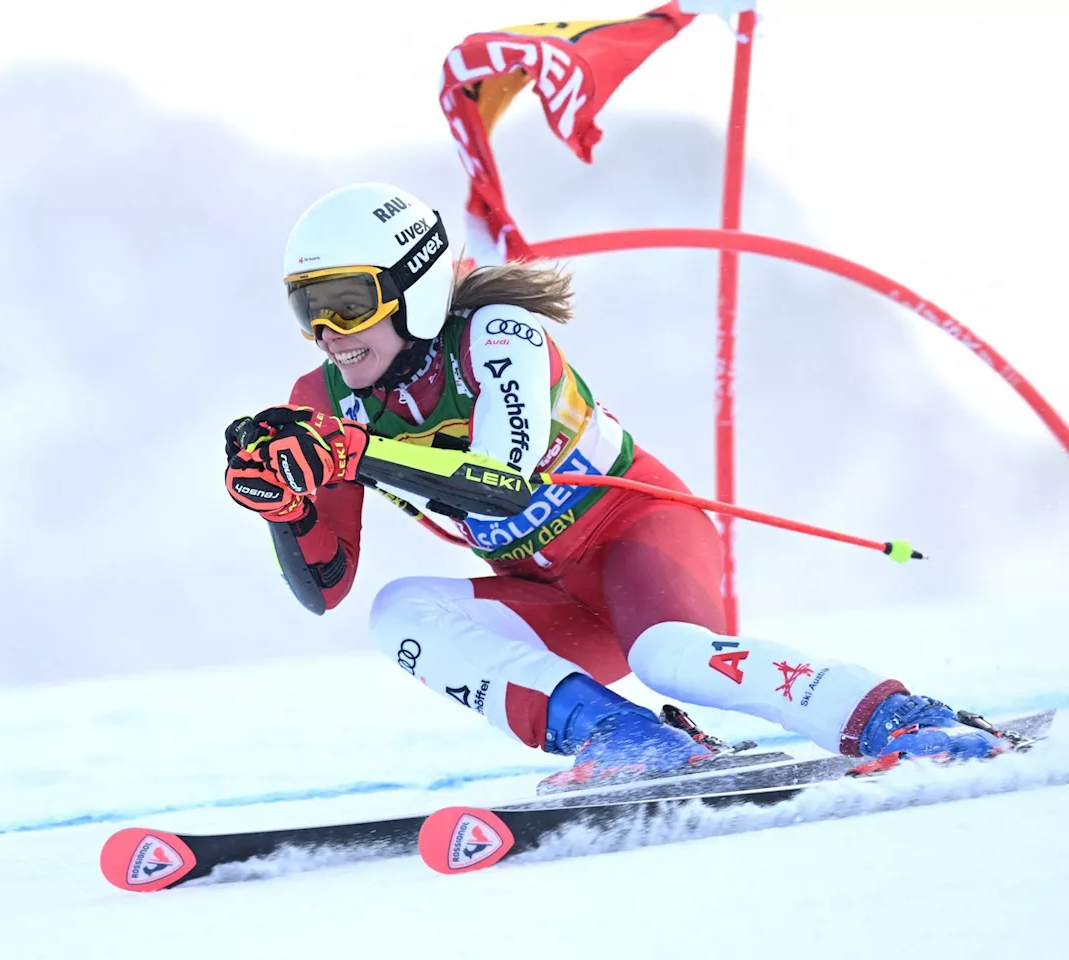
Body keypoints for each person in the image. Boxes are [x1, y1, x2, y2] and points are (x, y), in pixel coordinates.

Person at [223, 181, 1013, 791]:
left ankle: (896, 717)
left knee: (672, 657)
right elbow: (325, 589)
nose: (328, 331)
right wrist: (283, 507)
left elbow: (501, 484)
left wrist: (356, 452)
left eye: (346, 302)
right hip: (551, 592)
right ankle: (626, 739)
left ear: (414, 285)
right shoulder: (323, 398)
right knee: (398, 613)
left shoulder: (501, 336)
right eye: (308, 309)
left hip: (636, 538)